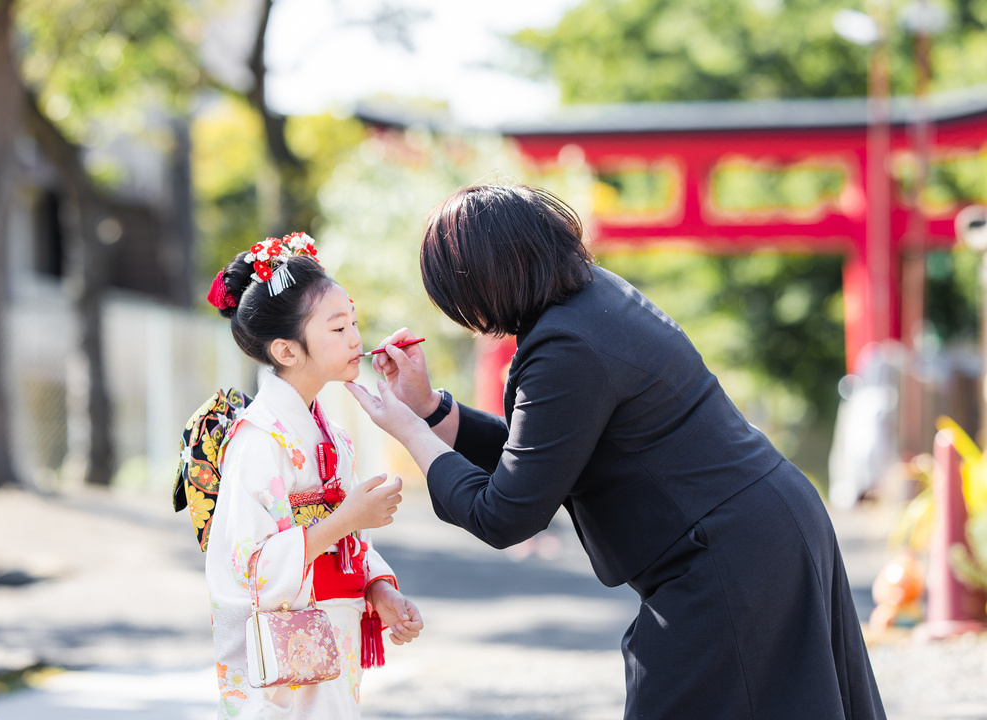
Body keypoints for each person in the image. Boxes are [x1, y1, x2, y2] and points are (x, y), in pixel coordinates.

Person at [347, 185, 886, 719]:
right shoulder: (591, 300)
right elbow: (537, 458)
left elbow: (505, 513)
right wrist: (429, 408)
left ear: (482, 281)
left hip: (727, 551)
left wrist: (411, 432)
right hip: (761, 524)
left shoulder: (565, 345)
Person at [187, 233, 423, 719]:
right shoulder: (257, 441)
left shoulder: (331, 434)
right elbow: (247, 569)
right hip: (280, 656)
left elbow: (348, 543)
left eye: (353, 321)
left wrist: (379, 589)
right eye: (338, 328)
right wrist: (345, 519)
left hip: (332, 638)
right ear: (287, 351)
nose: (356, 338)